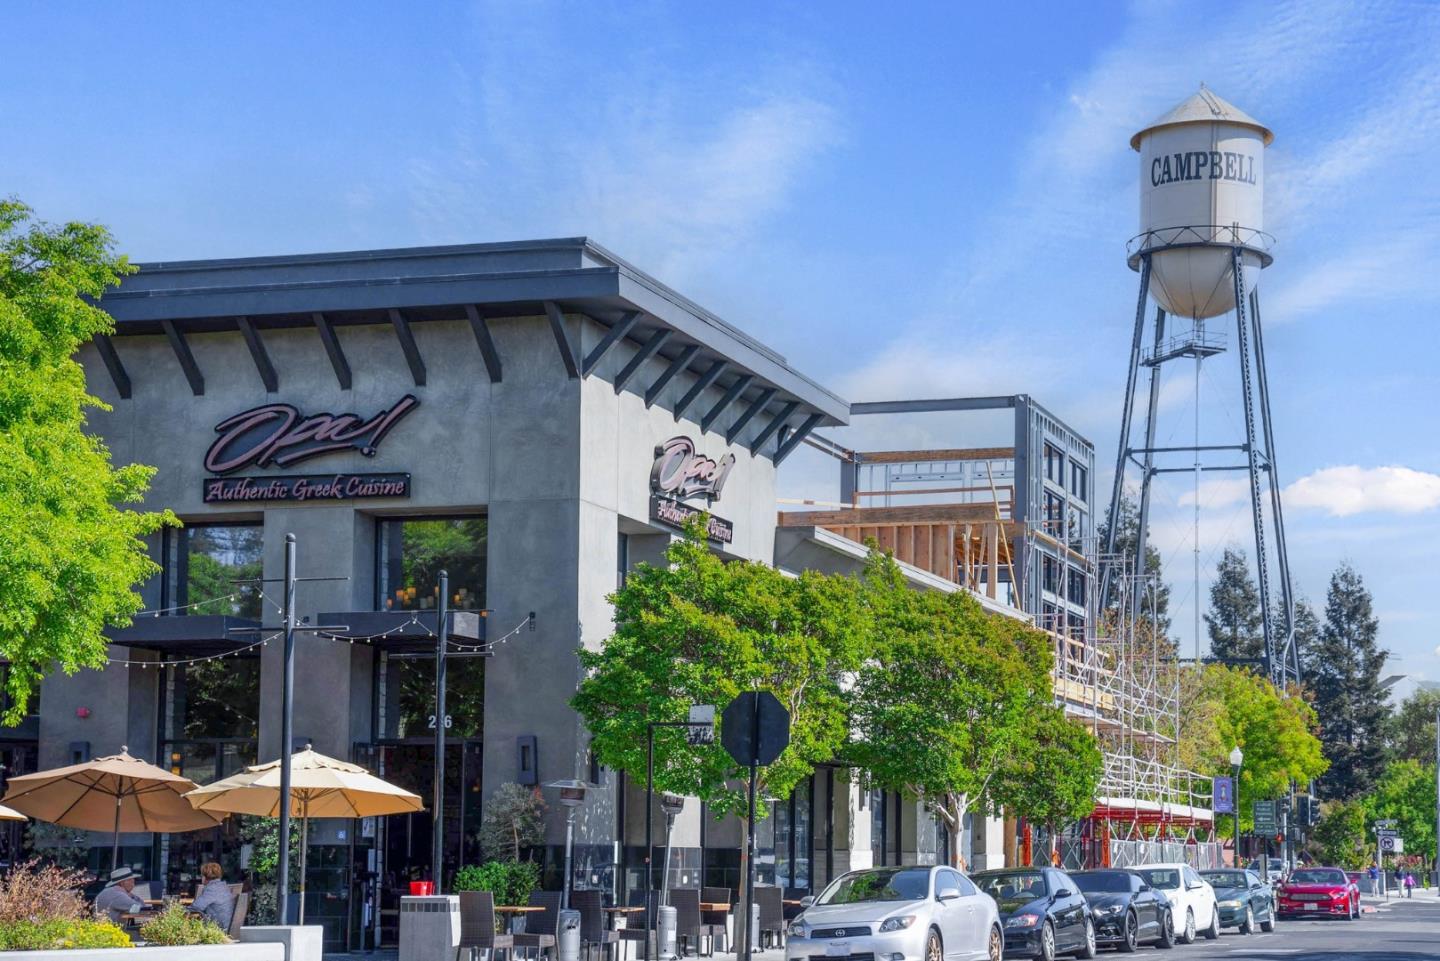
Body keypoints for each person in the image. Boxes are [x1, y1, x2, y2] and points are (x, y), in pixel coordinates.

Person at [188, 862, 235, 932]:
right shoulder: (223, 887)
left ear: (205, 877)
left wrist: (179, 909)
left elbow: (196, 907)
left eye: (201, 875)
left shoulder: (212, 889)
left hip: (217, 930)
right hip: (226, 927)